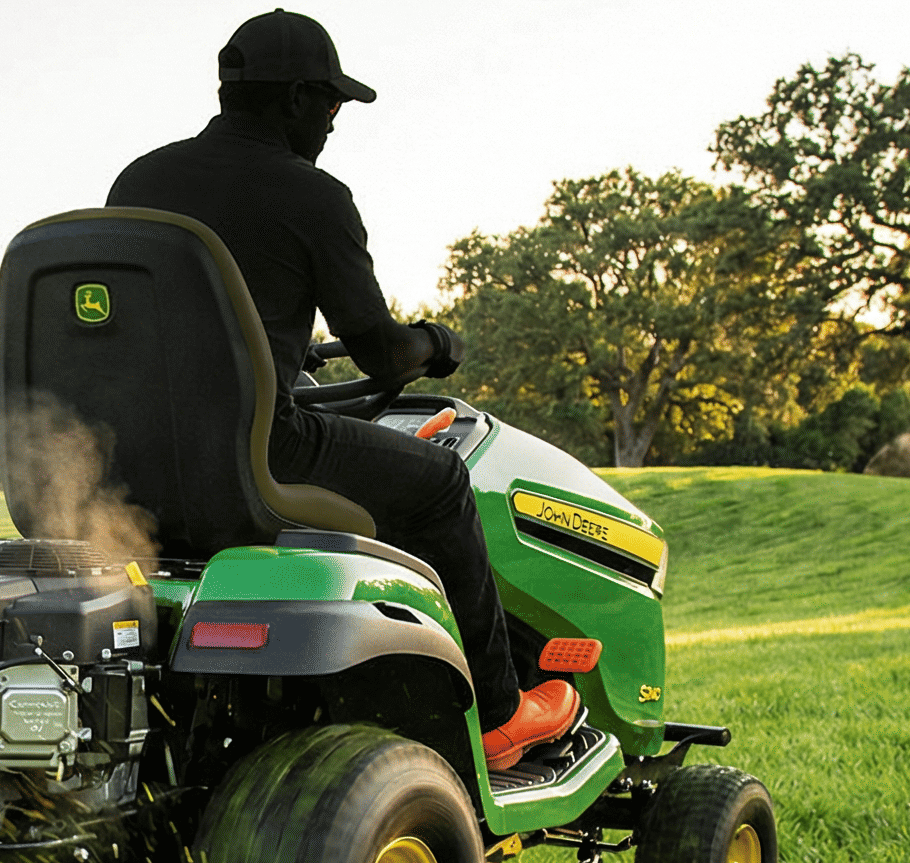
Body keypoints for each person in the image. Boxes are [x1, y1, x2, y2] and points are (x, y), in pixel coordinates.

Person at [107, 8, 574, 770]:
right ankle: (496, 713)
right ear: (293, 99)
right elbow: (383, 355)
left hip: (129, 469)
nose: (332, 124)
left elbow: (178, 333)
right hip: (258, 454)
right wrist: (437, 343)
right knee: (441, 484)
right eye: (330, 105)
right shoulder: (313, 195)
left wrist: (285, 359)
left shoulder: (140, 179)